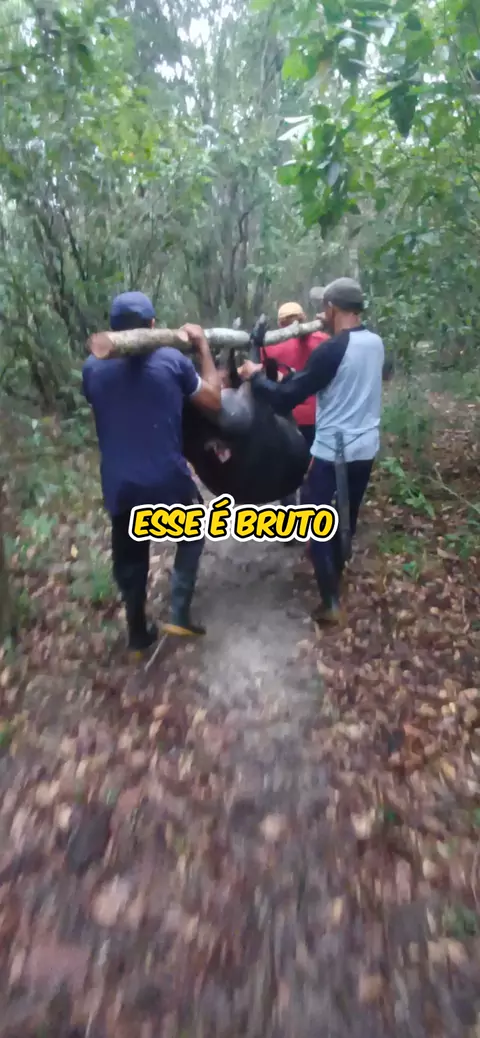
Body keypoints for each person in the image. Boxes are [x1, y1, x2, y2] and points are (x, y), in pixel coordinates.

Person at [240, 278, 384, 626]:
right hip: (365, 448)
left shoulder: (332, 350)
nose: (321, 314)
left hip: (335, 453)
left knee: (315, 519)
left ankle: (330, 602)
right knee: (346, 516)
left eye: (324, 307)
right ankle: (336, 574)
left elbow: (284, 399)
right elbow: (325, 380)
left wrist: (255, 377)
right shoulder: (375, 343)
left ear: (332, 309)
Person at [83, 291, 221, 651]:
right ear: (153, 326)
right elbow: (213, 400)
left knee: (130, 555)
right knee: (193, 530)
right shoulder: (173, 361)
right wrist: (203, 348)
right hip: (167, 479)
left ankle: (137, 633)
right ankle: (179, 614)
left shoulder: (92, 367)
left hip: (120, 484)